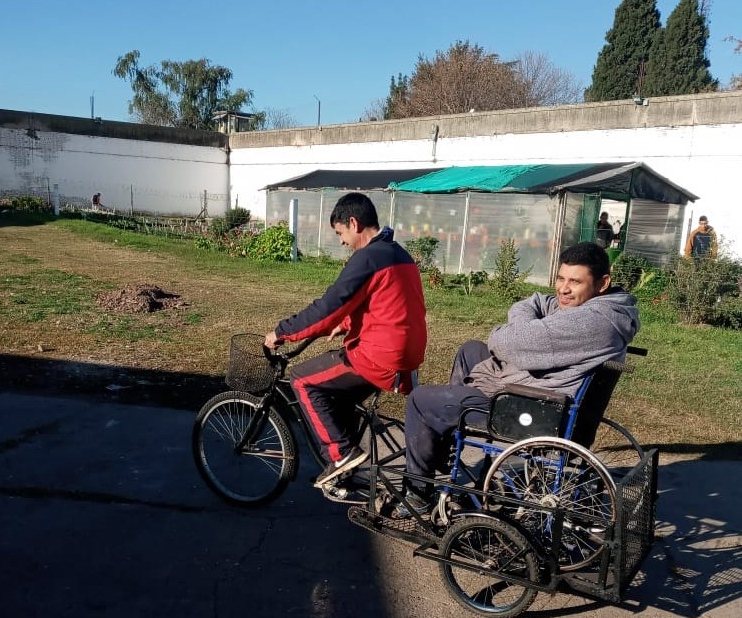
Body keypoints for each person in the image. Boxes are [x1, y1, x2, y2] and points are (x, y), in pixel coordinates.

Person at [399, 241, 640, 516]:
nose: (563, 289)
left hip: (535, 409)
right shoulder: (599, 309)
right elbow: (534, 301)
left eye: (575, 282)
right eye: (560, 278)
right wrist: (527, 328)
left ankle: (417, 494)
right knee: (471, 349)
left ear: (602, 284)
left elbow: (502, 342)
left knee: (421, 400)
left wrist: (516, 332)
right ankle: (446, 438)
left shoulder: (589, 323)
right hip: (548, 395)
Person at [264, 192, 427, 488]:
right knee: (337, 390)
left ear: (353, 223)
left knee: (302, 379)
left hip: (382, 357)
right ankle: (346, 469)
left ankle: (341, 455)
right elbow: (387, 302)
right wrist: (349, 322)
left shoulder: (367, 258)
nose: (341, 241)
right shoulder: (396, 252)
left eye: (340, 233)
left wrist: (282, 332)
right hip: (407, 355)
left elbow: (327, 308)